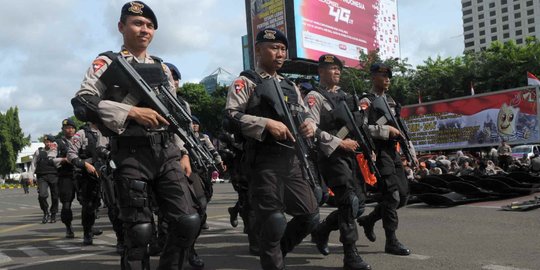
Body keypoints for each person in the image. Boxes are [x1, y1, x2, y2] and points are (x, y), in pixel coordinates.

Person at [72, 2, 200, 269]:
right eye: (137, 23)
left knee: (187, 222)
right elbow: (83, 101)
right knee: (139, 232)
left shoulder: (162, 68)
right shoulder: (107, 62)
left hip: (166, 152)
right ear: (121, 27)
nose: (145, 30)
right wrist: (131, 111)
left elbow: (174, 116)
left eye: (150, 26)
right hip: (130, 153)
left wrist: (185, 152)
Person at [224, 27, 319, 270]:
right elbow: (231, 118)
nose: (279, 54)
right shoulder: (245, 82)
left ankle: (276, 253)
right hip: (263, 161)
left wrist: (310, 124)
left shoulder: (290, 85)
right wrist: (265, 123)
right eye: (274, 48)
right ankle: (273, 261)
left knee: (310, 215)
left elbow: (305, 114)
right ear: (258, 50)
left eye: (283, 49)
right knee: (273, 221)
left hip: (293, 160)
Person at [306, 54, 371, 270]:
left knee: (358, 205)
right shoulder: (315, 97)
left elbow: (358, 125)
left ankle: (322, 230)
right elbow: (311, 129)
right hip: (331, 156)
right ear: (321, 71)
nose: (337, 72)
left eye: (338, 69)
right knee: (348, 202)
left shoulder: (346, 96)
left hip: (351, 155)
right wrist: (339, 143)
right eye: (332, 68)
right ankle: (350, 255)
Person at [356, 63, 416, 256]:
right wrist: (385, 130)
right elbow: (362, 128)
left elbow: (401, 128)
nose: (387, 79)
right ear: (373, 77)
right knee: (392, 195)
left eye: (389, 75)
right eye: (383, 75)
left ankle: (370, 219)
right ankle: (391, 241)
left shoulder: (391, 101)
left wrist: (411, 153)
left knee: (404, 196)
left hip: (393, 151)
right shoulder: (366, 101)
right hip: (379, 151)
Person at [67, 122, 109, 245]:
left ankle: (121, 238)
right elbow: (71, 155)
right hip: (88, 174)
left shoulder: (108, 130)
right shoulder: (81, 134)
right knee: (89, 205)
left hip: (107, 172)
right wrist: (85, 165)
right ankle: (87, 232)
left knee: (113, 205)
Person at [28, 135, 62, 224]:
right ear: (44, 142)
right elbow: (33, 164)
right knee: (42, 195)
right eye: (46, 142)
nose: (48, 143)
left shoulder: (56, 151)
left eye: (50, 142)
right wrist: (31, 177)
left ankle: (53, 214)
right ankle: (46, 212)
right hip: (42, 176)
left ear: (53, 143)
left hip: (54, 175)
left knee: (55, 196)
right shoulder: (39, 152)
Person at [56, 118, 78, 237]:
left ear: (75, 129)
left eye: (71, 128)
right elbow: (52, 160)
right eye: (66, 128)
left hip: (81, 175)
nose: (69, 130)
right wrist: (64, 160)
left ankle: (89, 228)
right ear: (63, 130)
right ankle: (68, 227)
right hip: (66, 176)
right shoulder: (58, 143)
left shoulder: (80, 140)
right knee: (66, 204)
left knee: (89, 202)